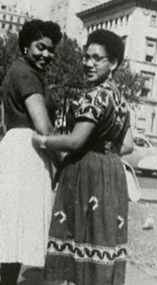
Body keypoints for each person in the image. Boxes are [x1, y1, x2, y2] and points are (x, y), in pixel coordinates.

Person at [33, 29, 133, 285]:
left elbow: (76, 140)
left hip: (86, 175)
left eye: (97, 58)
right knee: (100, 238)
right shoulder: (120, 99)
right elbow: (128, 145)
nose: (88, 63)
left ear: (113, 64)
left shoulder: (96, 95)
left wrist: (43, 140)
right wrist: (103, 151)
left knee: (75, 236)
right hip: (111, 175)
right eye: (86, 57)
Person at [0, 19, 62, 285]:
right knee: (18, 230)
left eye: (51, 50)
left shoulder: (16, 70)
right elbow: (44, 128)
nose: (47, 55)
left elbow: (5, 120)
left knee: (12, 232)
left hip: (14, 147)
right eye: (41, 47)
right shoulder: (27, 74)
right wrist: (61, 161)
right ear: (26, 45)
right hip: (27, 151)